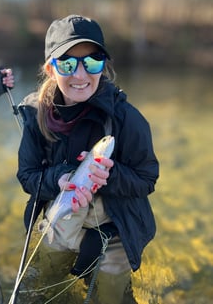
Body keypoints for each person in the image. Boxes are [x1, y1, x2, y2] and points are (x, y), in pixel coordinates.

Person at [16, 15, 159, 304]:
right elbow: (27, 175)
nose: (80, 75)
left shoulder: (128, 120)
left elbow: (147, 180)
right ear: (50, 68)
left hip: (115, 221)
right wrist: (59, 179)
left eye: (92, 62)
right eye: (67, 63)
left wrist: (112, 176)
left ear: (104, 65)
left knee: (110, 292)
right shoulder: (34, 115)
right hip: (63, 211)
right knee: (46, 281)